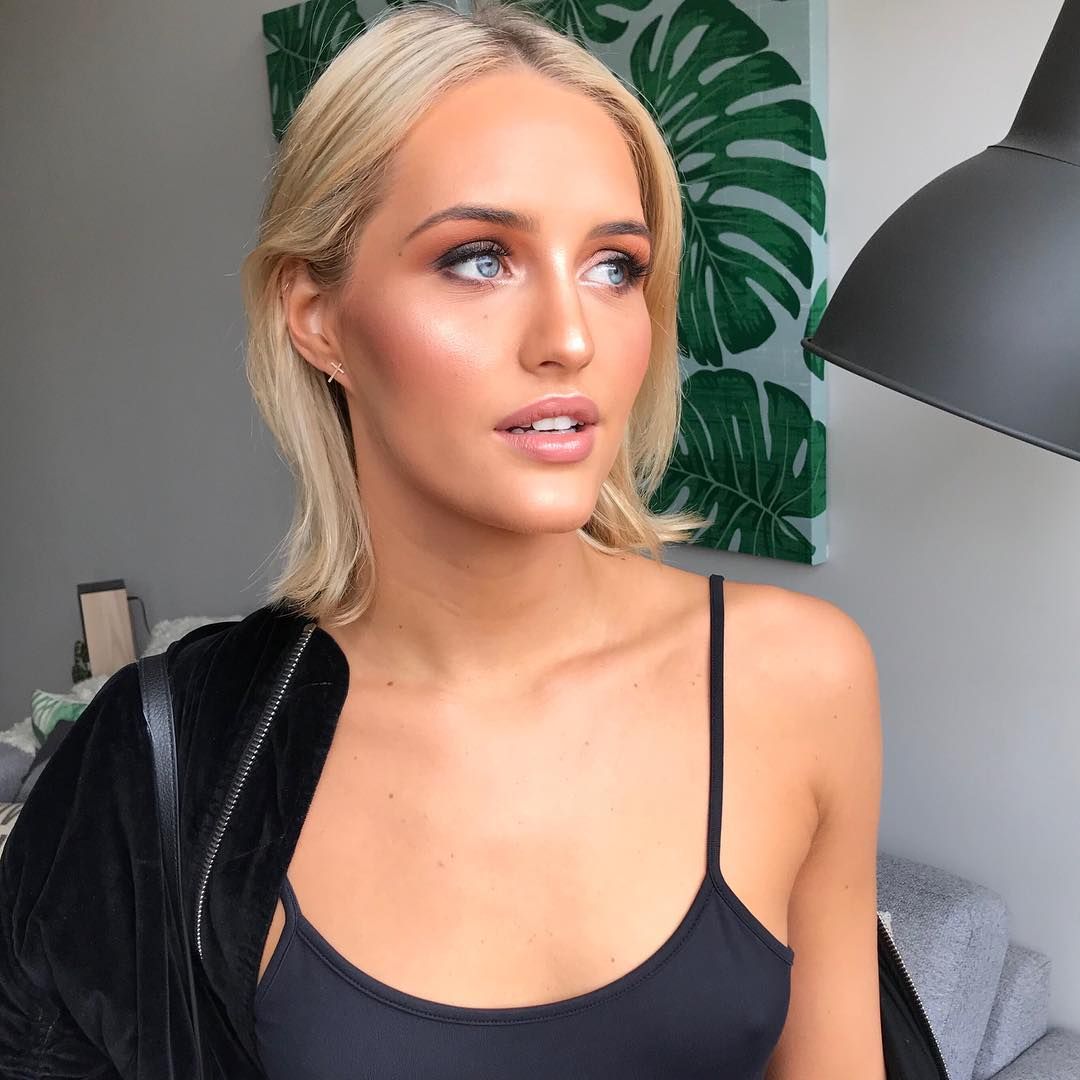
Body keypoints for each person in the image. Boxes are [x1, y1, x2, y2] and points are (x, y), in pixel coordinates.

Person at [0, 0, 886, 1076]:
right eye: (478, 258)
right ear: (316, 316)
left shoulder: (799, 676)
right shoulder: (166, 752)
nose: (570, 337)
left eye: (614, 266)